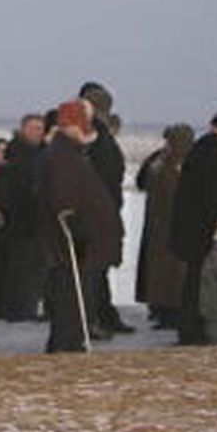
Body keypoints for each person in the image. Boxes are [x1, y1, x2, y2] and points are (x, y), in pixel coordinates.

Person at [36, 100, 120, 354]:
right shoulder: (63, 155)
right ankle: (66, 347)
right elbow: (64, 197)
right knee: (71, 299)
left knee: (76, 296)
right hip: (72, 242)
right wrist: (76, 228)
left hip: (79, 241)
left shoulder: (70, 152)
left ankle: (68, 344)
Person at [78, 82, 132, 335]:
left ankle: (102, 315)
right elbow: (104, 174)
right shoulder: (96, 135)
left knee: (98, 270)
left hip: (102, 209)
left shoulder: (96, 134)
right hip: (99, 212)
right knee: (93, 270)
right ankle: (92, 319)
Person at [169, 111, 217, 345]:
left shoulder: (202, 148)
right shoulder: (211, 151)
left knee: (195, 281)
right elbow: (212, 192)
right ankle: (195, 330)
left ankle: (191, 329)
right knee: (200, 282)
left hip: (193, 227)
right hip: (202, 229)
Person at [135, 125, 194, 330]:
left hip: (160, 226)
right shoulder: (183, 161)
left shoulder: (158, 161)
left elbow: (141, 182)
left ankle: (163, 311)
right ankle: (168, 312)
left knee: (163, 273)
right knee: (171, 274)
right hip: (171, 227)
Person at [0, 114, 46, 320]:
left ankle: (25, 308)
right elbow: (10, 189)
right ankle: (17, 309)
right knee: (18, 269)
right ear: (23, 129)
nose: (37, 132)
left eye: (40, 128)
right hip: (17, 221)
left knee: (30, 270)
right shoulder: (14, 153)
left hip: (34, 222)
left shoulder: (39, 153)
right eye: (33, 128)